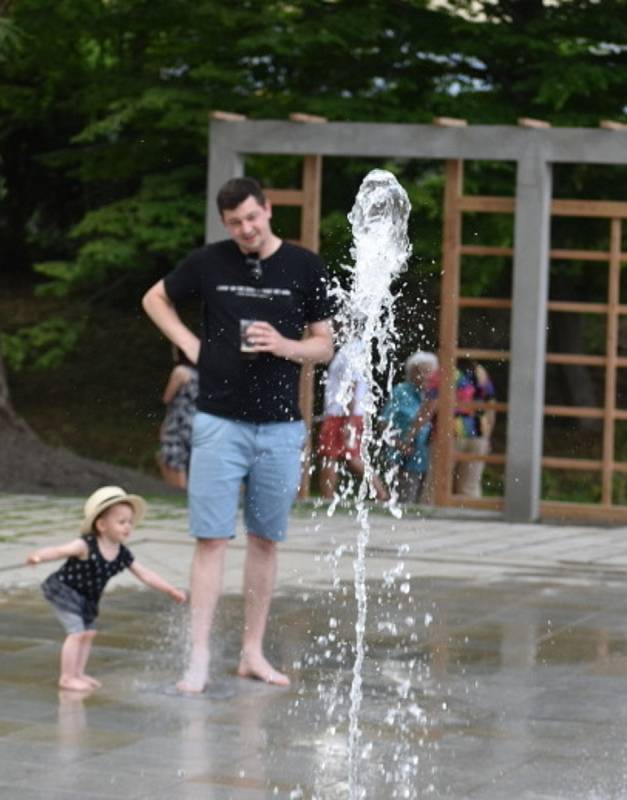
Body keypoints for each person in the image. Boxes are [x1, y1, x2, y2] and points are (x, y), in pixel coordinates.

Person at [142, 176, 334, 692]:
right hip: (218, 421)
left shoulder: (304, 266)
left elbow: (324, 346)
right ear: (225, 224)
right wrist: (191, 345)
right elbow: (155, 298)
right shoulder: (209, 262)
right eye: (235, 223)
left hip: (279, 427)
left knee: (266, 542)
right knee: (211, 540)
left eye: (252, 217)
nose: (246, 229)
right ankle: (198, 657)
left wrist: (284, 344)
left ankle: (252, 651)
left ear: (268, 210)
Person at [25, 486, 186, 692]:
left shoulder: (122, 554)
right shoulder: (86, 545)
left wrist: (170, 589)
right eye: (121, 522)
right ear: (101, 525)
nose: (128, 527)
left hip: (88, 599)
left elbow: (145, 574)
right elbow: (58, 550)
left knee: (89, 633)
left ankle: (79, 673)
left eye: (130, 522)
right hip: (65, 591)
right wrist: (38, 556)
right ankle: (66, 677)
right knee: (76, 633)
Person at [317, 339, 388, 501]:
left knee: (336, 456)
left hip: (342, 413)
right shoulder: (352, 349)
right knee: (343, 457)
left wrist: (349, 419)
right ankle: (380, 492)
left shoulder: (352, 349)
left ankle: (380, 493)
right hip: (344, 412)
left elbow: (353, 384)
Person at [380, 352, 438, 504]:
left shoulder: (432, 394)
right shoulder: (401, 392)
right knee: (404, 500)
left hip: (425, 455)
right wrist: (399, 443)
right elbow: (383, 423)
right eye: (422, 371)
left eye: (430, 372)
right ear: (411, 372)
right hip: (403, 455)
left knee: (426, 502)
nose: (426, 376)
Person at [157, 347, 199, 489]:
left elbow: (167, 397)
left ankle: (179, 489)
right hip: (196, 419)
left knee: (174, 456)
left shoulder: (180, 371)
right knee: (190, 456)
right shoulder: (202, 372)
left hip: (178, 419)